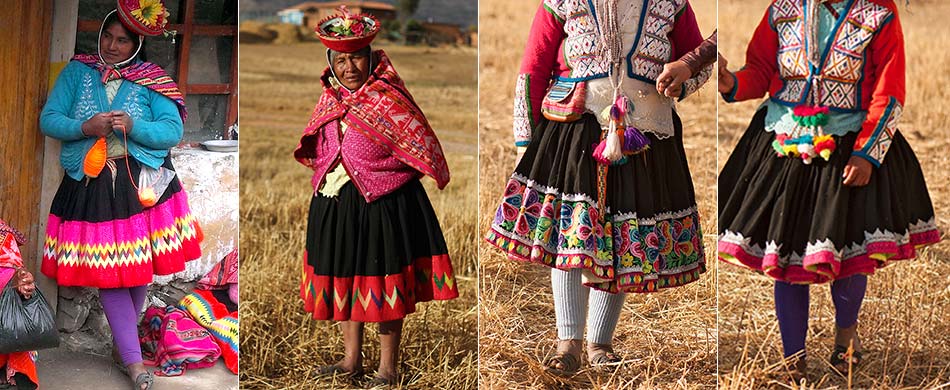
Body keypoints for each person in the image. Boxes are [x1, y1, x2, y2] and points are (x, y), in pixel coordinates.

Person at [484, 0, 712, 375]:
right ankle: (569, 340)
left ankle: (600, 343)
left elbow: (698, 57)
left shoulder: (671, 3)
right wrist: (527, 141)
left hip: (644, 133)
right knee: (573, 234)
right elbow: (533, 66)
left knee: (620, 236)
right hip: (575, 127)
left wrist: (682, 76)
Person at [717, 0, 939, 381]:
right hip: (784, 145)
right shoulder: (782, 9)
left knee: (846, 251)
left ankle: (845, 344)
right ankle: (792, 360)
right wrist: (732, 83)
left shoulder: (877, 13)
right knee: (786, 260)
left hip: (848, 147)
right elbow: (761, 70)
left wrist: (868, 154)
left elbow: (890, 90)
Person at [293, 6, 459, 387]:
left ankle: (387, 368)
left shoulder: (390, 98)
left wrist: (388, 174)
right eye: (341, 59)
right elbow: (316, 144)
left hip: (384, 202)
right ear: (331, 62)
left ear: (371, 58)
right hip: (337, 203)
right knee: (348, 281)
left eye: (356, 58)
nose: (349, 67)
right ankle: (351, 360)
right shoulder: (329, 98)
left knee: (383, 283)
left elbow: (419, 143)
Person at [39, 1, 201, 389]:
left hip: (142, 183)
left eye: (122, 41)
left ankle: (124, 350)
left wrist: (135, 125)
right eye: (108, 38)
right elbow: (49, 119)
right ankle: (134, 363)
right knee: (114, 274)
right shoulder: (79, 72)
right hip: (95, 184)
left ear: (137, 43)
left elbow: (171, 132)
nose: (112, 46)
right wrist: (86, 125)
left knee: (137, 269)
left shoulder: (152, 79)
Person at [0, 220, 39, 390]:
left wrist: (20, 282)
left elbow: (11, 272)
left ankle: (10, 370)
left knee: (14, 298)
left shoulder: (3, 236)